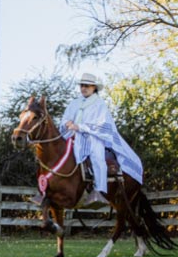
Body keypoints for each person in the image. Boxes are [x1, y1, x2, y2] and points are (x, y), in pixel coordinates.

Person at [58, 73, 144, 209]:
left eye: (86, 86)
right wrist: (66, 123)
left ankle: (99, 190)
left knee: (97, 158)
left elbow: (103, 125)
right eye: (82, 85)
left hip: (93, 137)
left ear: (94, 87)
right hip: (72, 135)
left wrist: (80, 126)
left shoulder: (99, 104)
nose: (83, 88)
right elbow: (64, 118)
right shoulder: (74, 103)